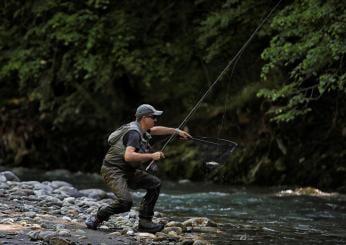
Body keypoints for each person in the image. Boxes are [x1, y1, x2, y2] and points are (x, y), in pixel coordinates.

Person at [85, 104, 191, 233]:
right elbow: (128, 156)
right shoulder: (134, 133)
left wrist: (176, 131)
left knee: (154, 184)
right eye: (153, 117)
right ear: (144, 118)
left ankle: (145, 222)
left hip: (127, 170)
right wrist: (152, 155)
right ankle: (99, 216)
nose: (155, 120)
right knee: (125, 202)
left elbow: (156, 130)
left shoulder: (140, 128)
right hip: (113, 170)